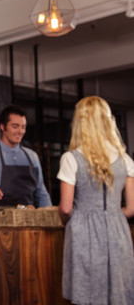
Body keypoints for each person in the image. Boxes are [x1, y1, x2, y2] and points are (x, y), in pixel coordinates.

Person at [58, 96, 134, 304]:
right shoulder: (125, 159)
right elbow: (132, 208)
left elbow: (65, 208)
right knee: (118, 292)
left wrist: (74, 219)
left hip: (83, 232)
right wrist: (113, 215)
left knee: (87, 293)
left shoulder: (71, 159)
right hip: (118, 230)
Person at [0, 105, 52, 214]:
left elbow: (41, 193)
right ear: (2, 126)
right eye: (15, 126)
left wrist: (49, 216)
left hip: (29, 221)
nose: (20, 131)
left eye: (23, 127)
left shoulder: (32, 156)